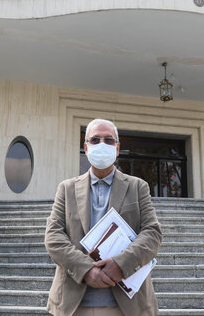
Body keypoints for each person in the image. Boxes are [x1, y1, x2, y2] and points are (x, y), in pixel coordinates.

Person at [45, 118, 162, 316]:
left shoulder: (138, 186)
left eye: (109, 140)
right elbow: (54, 237)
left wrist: (121, 264)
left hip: (127, 307)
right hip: (73, 305)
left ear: (117, 148)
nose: (102, 144)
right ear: (86, 147)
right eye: (95, 139)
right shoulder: (66, 188)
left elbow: (152, 233)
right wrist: (86, 270)